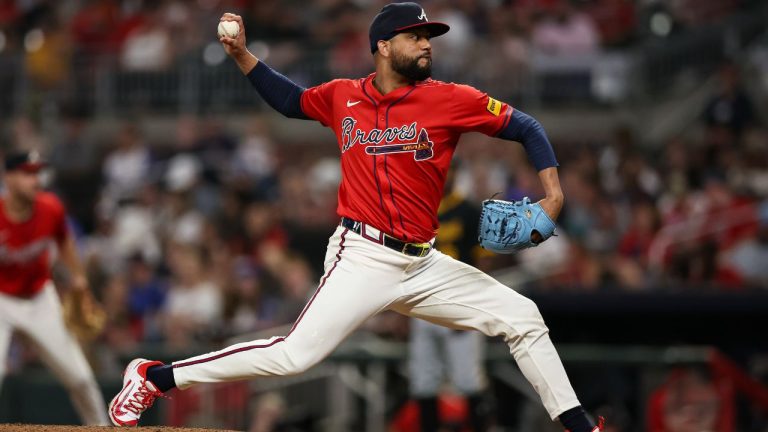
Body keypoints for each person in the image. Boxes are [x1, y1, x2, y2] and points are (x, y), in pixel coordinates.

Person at [109, 4, 603, 431]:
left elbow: (527, 127)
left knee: (522, 317)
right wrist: (240, 55)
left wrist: (553, 193)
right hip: (362, 256)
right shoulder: (343, 95)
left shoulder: (450, 99)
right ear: (384, 46)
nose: (426, 45)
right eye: (416, 36)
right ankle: (154, 376)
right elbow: (290, 100)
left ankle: (579, 425)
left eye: (428, 37)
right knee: (294, 356)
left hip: (424, 264)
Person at [0, 150, 109, 426]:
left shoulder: (51, 208)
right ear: (9, 178)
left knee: (82, 379)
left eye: (37, 173)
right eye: (27, 173)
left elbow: (64, 240)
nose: (35, 180)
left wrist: (78, 276)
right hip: (1, 301)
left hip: (39, 298)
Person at [408, 163, 493, 432]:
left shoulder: (470, 210)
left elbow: (484, 263)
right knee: (423, 380)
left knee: (468, 379)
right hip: (422, 302)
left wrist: (473, 304)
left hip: (459, 303)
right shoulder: (417, 208)